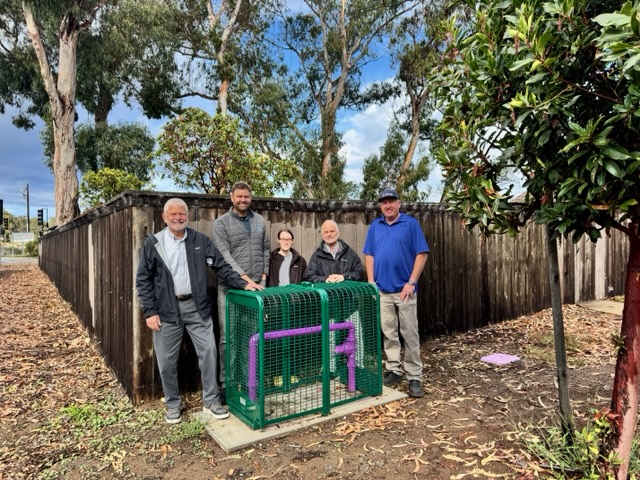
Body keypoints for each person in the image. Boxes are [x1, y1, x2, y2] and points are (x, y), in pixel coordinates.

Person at [136, 198, 257, 424]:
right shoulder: (154, 243)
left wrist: (244, 283)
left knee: (209, 353)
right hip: (166, 311)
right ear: (164, 217)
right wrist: (149, 312)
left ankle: (211, 401)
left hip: (197, 308)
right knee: (166, 361)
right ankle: (173, 404)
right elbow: (143, 280)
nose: (178, 217)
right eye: (173, 214)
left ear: (187, 216)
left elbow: (221, 266)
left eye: (181, 214)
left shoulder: (200, 241)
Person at [363, 188, 429, 398]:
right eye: (384, 202)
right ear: (380, 206)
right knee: (389, 333)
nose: (388, 205)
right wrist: (371, 282)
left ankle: (414, 376)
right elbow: (369, 255)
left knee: (410, 333)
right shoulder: (376, 226)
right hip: (382, 291)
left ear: (399, 203)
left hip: (405, 291)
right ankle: (394, 368)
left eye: (391, 201)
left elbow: (422, 254)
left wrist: (411, 282)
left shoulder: (410, 224)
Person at [213, 181, 269, 402]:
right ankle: (227, 385)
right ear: (231, 197)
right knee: (229, 339)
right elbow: (224, 254)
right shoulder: (221, 223)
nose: (243, 200)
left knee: (251, 337)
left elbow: (265, 250)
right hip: (230, 290)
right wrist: (244, 279)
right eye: (239, 197)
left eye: (246, 197)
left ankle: (248, 383)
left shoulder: (260, 221)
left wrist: (262, 278)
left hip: (255, 290)